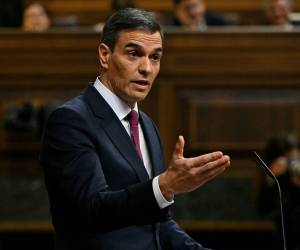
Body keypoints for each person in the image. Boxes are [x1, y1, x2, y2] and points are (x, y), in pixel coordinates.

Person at [40, 8, 230, 250]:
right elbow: (92, 210)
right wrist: (164, 187)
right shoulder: (70, 121)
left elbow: (157, 223)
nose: (146, 68)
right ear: (105, 55)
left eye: (155, 57)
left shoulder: (147, 125)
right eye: (134, 54)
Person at [257, 134, 300, 250]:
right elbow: (263, 208)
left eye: (295, 158)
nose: (293, 162)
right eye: (289, 159)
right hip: (283, 235)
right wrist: (271, 178)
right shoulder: (275, 175)